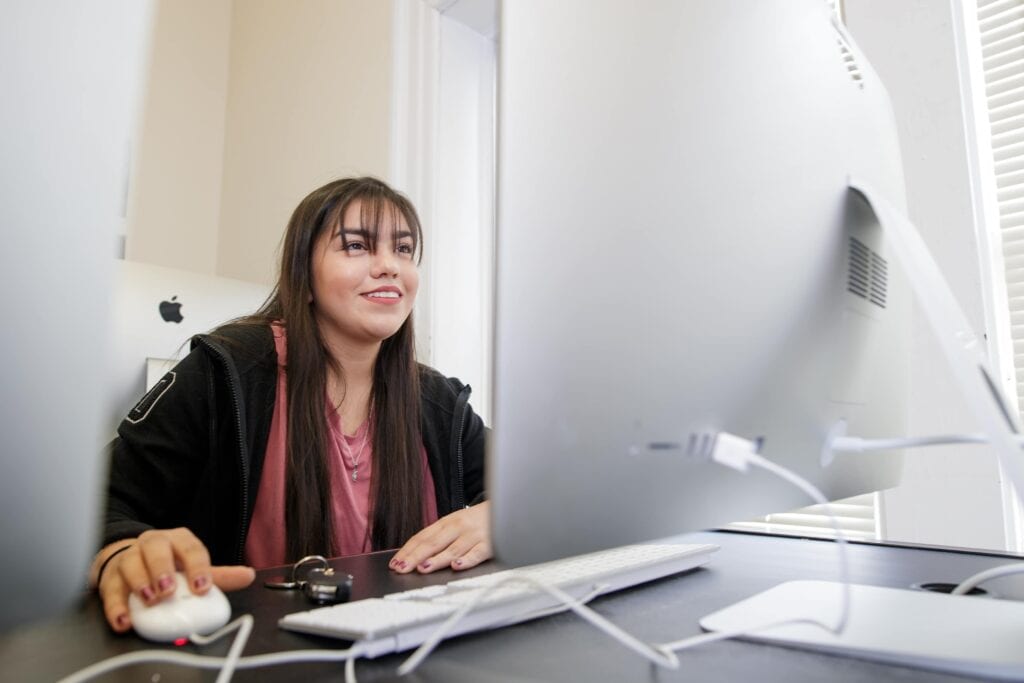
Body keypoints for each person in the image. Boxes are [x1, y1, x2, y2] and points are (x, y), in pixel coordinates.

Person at [90, 177, 490, 633]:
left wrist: (499, 516)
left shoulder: (438, 402)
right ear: (303, 277)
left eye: (403, 250)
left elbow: (539, 489)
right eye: (357, 246)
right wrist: (122, 553)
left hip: (407, 650)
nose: (389, 266)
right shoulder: (229, 372)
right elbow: (102, 503)